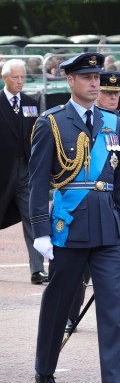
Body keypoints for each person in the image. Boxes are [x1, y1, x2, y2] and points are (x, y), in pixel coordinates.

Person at [28, 52, 120, 383]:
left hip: (108, 230)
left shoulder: (112, 124)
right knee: (58, 302)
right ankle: (45, 370)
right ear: (70, 81)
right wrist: (40, 232)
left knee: (111, 308)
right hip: (70, 227)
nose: (95, 83)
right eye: (86, 77)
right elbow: (36, 183)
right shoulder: (52, 122)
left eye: (96, 77)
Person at [64, 71, 120, 337]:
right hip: (88, 198)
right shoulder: (81, 121)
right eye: (107, 93)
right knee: (81, 263)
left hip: (118, 199)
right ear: (96, 92)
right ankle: (70, 313)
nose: (112, 98)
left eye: (116, 94)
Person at [0, 59, 47, 284]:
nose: (20, 81)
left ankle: (37, 269)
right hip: (2, 172)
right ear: (4, 78)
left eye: (22, 77)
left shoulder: (31, 102)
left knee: (33, 218)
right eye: (15, 77)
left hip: (26, 171)